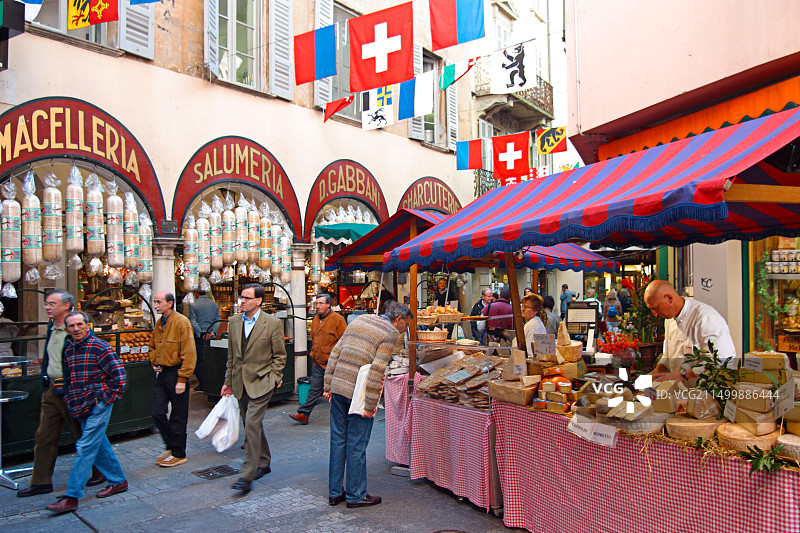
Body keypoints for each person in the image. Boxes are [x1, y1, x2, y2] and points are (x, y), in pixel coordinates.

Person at [324, 302, 412, 509]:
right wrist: (371, 405)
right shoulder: (390, 332)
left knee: (338, 441)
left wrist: (328, 384)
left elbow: (336, 352)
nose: (404, 329)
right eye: (406, 324)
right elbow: (377, 369)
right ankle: (356, 495)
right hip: (358, 394)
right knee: (356, 444)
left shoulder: (360, 319)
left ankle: (335, 493)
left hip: (338, 387)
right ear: (398, 319)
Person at [18, 290, 105, 498]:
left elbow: (91, 356)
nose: (47, 307)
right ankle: (40, 481)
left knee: (83, 434)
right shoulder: (52, 327)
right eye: (47, 304)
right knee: (44, 436)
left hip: (72, 391)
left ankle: (101, 471)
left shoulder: (75, 328)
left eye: (51, 304)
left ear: (65, 306)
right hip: (51, 389)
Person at [45, 311, 127, 514]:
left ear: (87, 325)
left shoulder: (100, 347)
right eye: (71, 326)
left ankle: (72, 496)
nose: (76, 329)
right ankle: (118, 481)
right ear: (66, 330)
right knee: (99, 446)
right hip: (80, 405)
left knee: (85, 447)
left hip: (97, 404)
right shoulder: (70, 350)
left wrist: (102, 400)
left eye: (80, 324)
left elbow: (120, 379)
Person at [222, 284, 287, 492]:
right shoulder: (233, 322)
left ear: (258, 301)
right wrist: (228, 383)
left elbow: (280, 355)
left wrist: (274, 376)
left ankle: (247, 475)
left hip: (262, 382)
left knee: (250, 423)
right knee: (253, 424)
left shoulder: (272, 323)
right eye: (241, 298)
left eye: (247, 298)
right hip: (240, 382)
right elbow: (232, 356)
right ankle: (264, 461)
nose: (243, 301)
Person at [644, 280, 736, 384]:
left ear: (669, 298)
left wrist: (682, 374)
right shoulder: (669, 318)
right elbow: (668, 356)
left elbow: (721, 362)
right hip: (679, 393)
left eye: (655, 308)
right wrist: (653, 374)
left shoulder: (705, 319)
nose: (654, 314)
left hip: (703, 395)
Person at [149, 291, 196, 468]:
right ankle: (171, 446)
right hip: (163, 374)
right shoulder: (160, 323)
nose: (156, 306)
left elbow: (189, 352)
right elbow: (152, 345)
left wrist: (182, 378)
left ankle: (179, 453)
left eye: (159, 302)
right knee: (157, 412)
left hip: (177, 373)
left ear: (170, 303)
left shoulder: (181, 322)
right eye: (154, 302)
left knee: (178, 416)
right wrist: (154, 361)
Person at [290, 293, 347, 425]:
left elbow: (344, 340)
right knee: (315, 388)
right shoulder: (316, 318)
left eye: (321, 303)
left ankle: (342, 416)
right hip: (318, 360)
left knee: (337, 391)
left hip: (332, 362)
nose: (318, 306)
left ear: (328, 304)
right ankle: (304, 413)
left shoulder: (338, 320)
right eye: (316, 303)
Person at [189, 289, 221, 392]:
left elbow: (193, 321)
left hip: (200, 337)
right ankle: (210, 383)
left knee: (200, 361)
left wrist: (202, 333)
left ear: (196, 293)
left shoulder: (194, 305)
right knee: (210, 360)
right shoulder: (214, 304)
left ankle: (203, 384)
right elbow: (217, 320)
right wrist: (212, 332)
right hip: (210, 336)